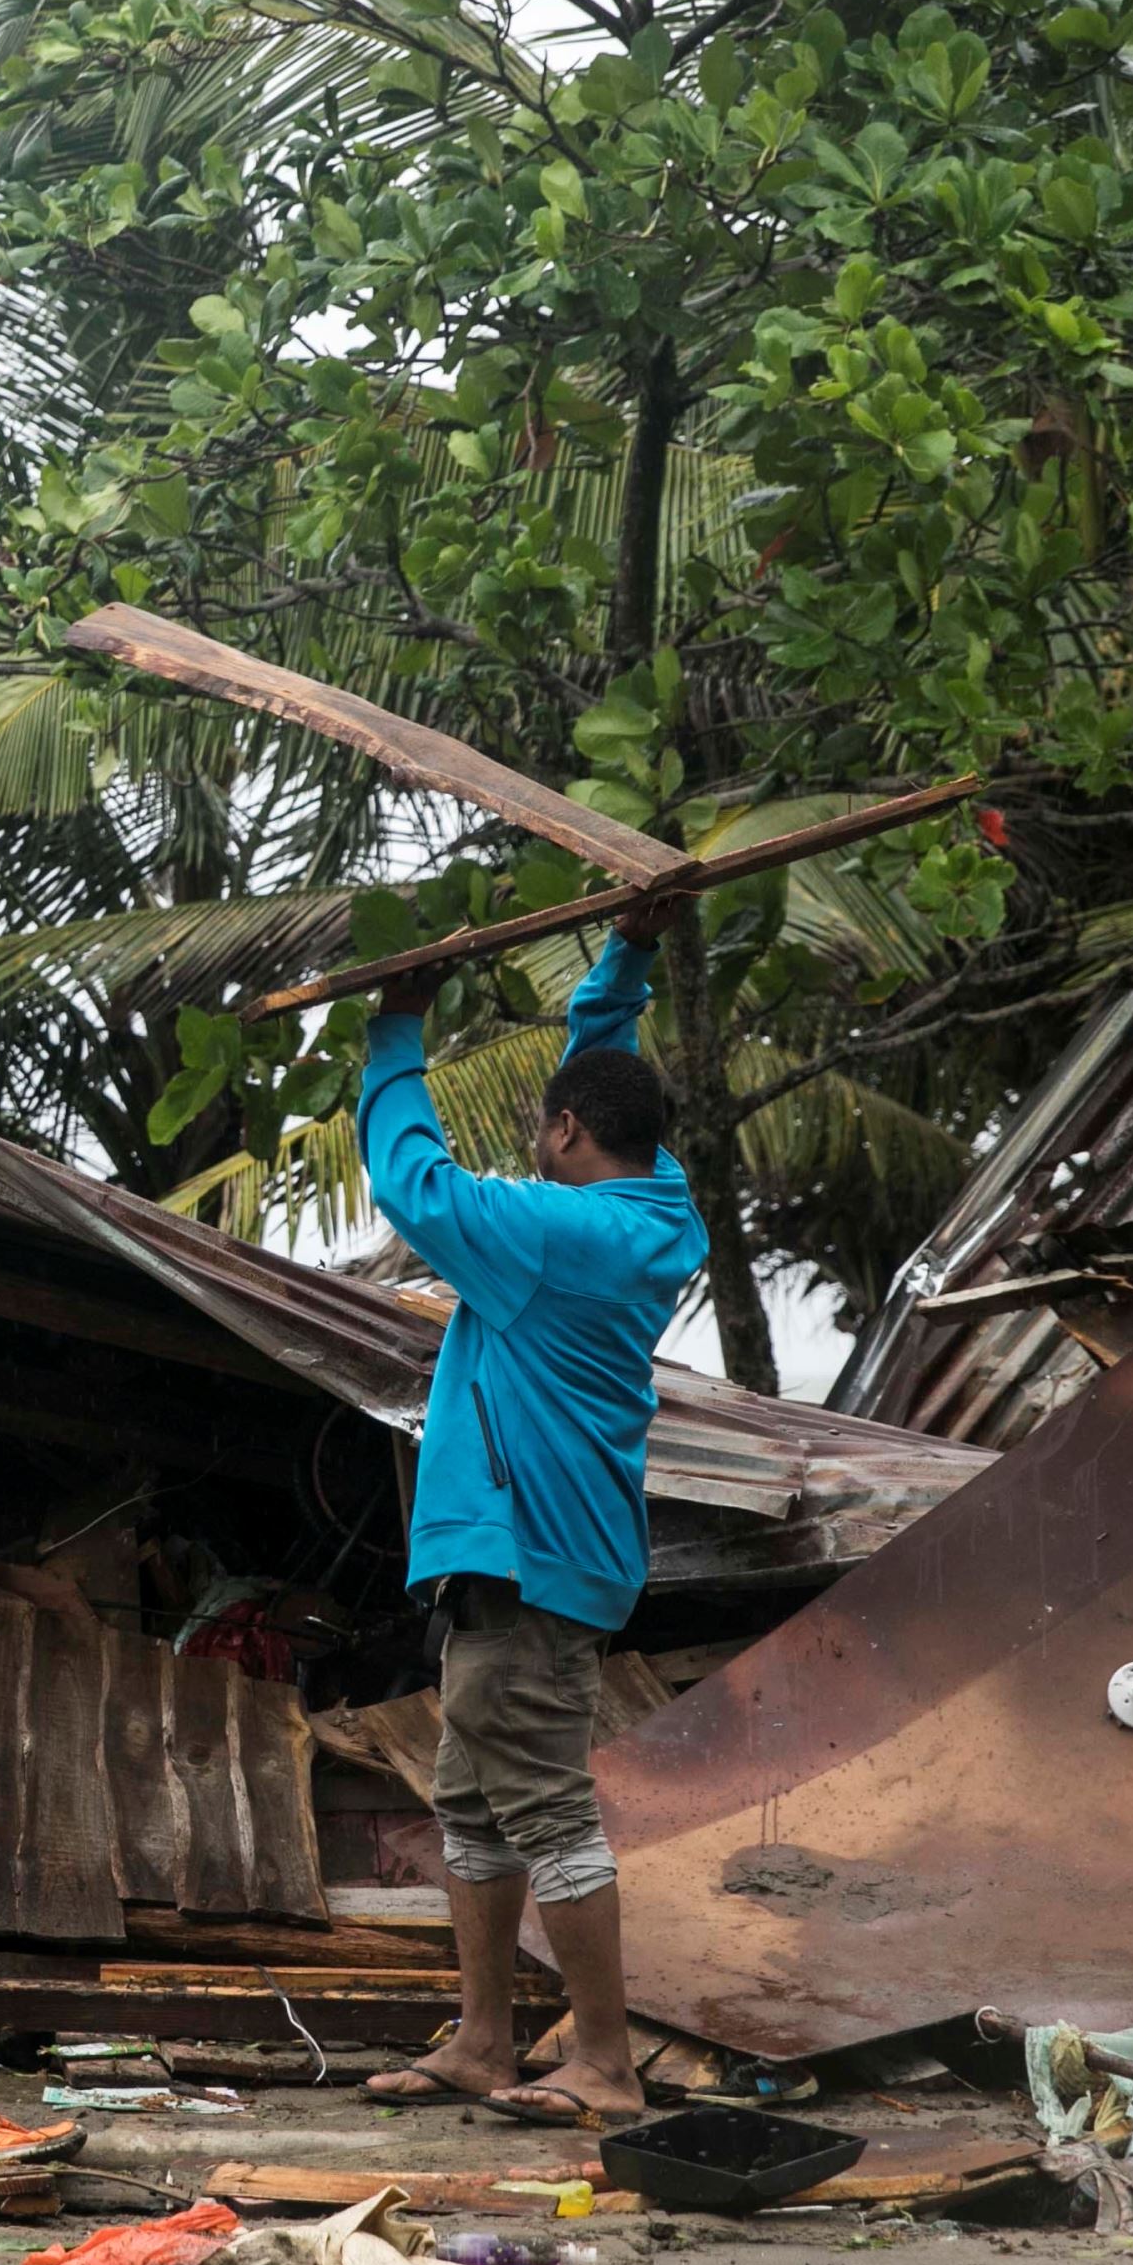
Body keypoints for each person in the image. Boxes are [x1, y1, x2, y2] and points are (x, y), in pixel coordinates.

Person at [352, 897, 706, 2127]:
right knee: (473, 1799)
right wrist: (633, 953)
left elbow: (412, 1176)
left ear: (563, 1135)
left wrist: (396, 1028)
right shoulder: (657, 1206)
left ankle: (602, 2060)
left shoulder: (553, 1234)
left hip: (529, 1557)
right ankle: (485, 2038)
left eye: (540, 1127)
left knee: (544, 1803)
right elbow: (603, 1073)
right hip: (539, 1552)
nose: (532, 1142)